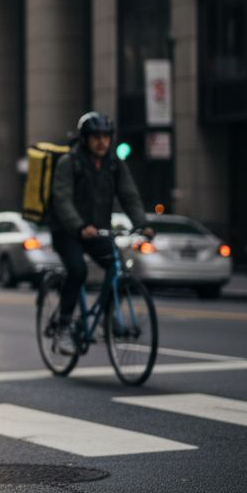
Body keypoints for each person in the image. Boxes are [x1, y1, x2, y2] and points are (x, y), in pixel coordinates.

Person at [44, 112, 151, 353]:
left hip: (98, 232)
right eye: (95, 137)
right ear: (84, 139)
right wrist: (79, 226)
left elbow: (129, 195)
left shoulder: (114, 164)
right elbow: (62, 200)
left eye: (106, 136)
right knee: (78, 271)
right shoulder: (69, 163)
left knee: (117, 267)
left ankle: (107, 316)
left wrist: (142, 223)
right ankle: (63, 328)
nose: (102, 142)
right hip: (67, 231)